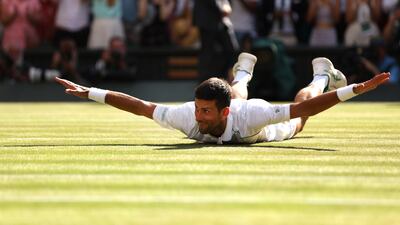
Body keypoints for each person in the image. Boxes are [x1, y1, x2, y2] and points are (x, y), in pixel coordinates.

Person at [55, 52, 390, 144]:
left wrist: (351, 91)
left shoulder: (251, 115)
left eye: (205, 111)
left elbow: (303, 107)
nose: (198, 117)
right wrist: (91, 92)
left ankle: (321, 76)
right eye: (198, 109)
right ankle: (242, 73)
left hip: (270, 130)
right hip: (234, 104)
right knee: (237, 91)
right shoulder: (186, 116)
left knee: (300, 116)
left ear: (225, 111)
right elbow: (140, 107)